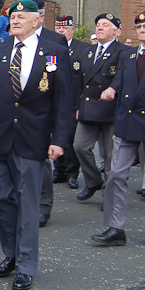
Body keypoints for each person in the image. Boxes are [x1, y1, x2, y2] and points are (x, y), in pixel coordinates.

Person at [0, 0, 71, 290]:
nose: (15, 20)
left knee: (28, 205)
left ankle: (26, 265)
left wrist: (59, 140)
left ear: (38, 20)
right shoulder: (2, 50)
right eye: (12, 16)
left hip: (34, 140)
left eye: (21, 16)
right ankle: (11, 253)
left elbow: (63, 101)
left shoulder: (55, 53)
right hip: (2, 139)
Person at [92, 9, 145, 250]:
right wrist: (112, 90)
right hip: (127, 120)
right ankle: (116, 228)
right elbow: (120, 80)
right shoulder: (129, 56)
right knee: (116, 175)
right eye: (139, 28)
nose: (142, 31)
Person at [74, 13, 129, 201]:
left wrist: (113, 88)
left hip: (111, 110)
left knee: (110, 156)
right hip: (89, 108)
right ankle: (93, 182)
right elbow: (81, 82)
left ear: (117, 31)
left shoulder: (123, 51)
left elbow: (121, 75)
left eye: (105, 25)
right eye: (98, 24)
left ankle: (109, 194)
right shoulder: (88, 52)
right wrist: (78, 106)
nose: (100, 27)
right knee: (80, 147)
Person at [28, 0, 68, 227]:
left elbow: (63, 86)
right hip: (18, 114)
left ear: (40, 17)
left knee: (41, 163)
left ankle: (43, 206)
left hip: (43, 113)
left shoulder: (56, 40)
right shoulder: (11, 42)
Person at [53, 15, 87, 189]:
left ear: (72, 29)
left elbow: (84, 79)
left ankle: (72, 173)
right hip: (55, 101)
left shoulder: (82, 49)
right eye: (58, 28)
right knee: (56, 136)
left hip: (74, 101)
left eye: (65, 28)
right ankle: (58, 170)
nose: (61, 31)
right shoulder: (51, 47)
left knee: (72, 139)